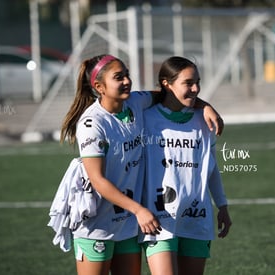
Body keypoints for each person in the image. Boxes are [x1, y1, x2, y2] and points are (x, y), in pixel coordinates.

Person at [54, 54, 224, 275]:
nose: (126, 81)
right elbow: (98, 180)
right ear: (99, 87)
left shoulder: (135, 102)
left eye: (126, 75)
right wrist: (139, 210)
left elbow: (170, 94)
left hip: (127, 224)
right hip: (97, 223)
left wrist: (205, 106)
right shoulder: (92, 124)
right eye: (118, 77)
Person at [140, 56, 232, 275]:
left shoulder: (204, 121)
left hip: (196, 216)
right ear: (166, 83)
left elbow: (210, 167)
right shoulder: (145, 119)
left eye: (197, 82)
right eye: (188, 83)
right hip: (159, 219)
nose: (196, 88)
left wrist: (222, 205)